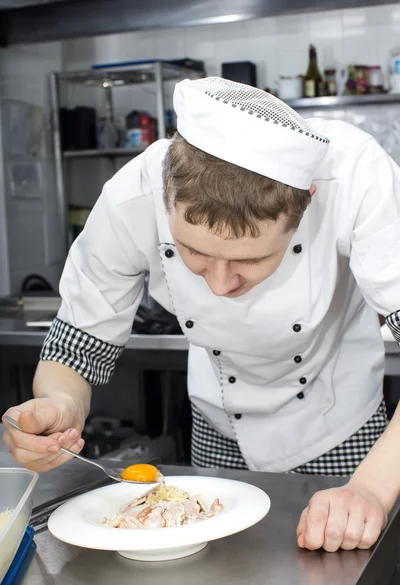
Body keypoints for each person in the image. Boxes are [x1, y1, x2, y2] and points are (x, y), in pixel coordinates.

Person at [2, 77, 400, 553]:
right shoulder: (133, 193)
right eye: (191, 252)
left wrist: (371, 490)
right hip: (219, 428)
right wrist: (60, 408)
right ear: (165, 196)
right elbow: (78, 341)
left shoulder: (358, 176)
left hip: (343, 430)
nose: (219, 285)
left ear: (308, 198)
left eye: (251, 260)